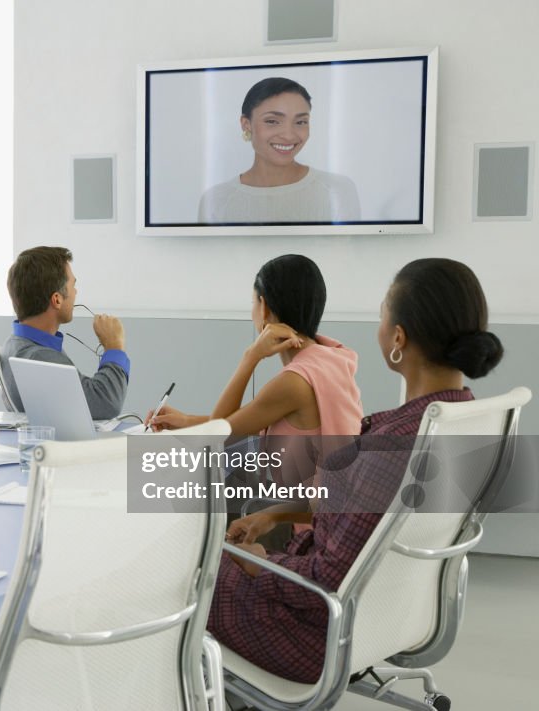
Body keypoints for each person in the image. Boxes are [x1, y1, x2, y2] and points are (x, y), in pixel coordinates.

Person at [207, 258, 504, 683]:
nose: (379, 327)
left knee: (185, 578)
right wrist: (273, 515)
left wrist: (259, 563)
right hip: (386, 616)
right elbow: (357, 518)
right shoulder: (458, 423)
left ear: (398, 337)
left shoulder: (394, 447)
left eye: (383, 313)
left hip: (316, 632)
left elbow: (327, 580)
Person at [150, 255, 363, 492]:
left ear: (264, 308)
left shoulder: (294, 383)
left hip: (305, 525)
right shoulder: (331, 360)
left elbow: (215, 437)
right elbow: (250, 418)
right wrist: (186, 421)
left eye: (252, 303)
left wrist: (250, 356)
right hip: (332, 512)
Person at [198, 77, 360, 224]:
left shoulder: (337, 190)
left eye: (301, 122)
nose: (289, 136)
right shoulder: (217, 201)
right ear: (246, 124)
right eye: (272, 121)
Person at [0, 246, 129, 420]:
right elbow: (105, 403)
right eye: (73, 285)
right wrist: (114, 347)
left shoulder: (15, 344)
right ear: (57, 299)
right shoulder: (40, 357)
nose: (76, 292)